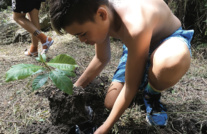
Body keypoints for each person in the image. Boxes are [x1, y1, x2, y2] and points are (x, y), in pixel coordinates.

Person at [49, 0, 194, 133]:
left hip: (167, 41)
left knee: (169, 64)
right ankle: (145, 74)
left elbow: (131, 86)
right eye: (77, 36)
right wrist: (75, 89)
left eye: (83, 34)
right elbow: (101, 58)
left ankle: (152, 93)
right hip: (135, 45)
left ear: (101, 14)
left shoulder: (134, 24)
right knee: (111, 103)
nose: (82, 40)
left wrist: (106, 127)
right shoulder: (101, 13)